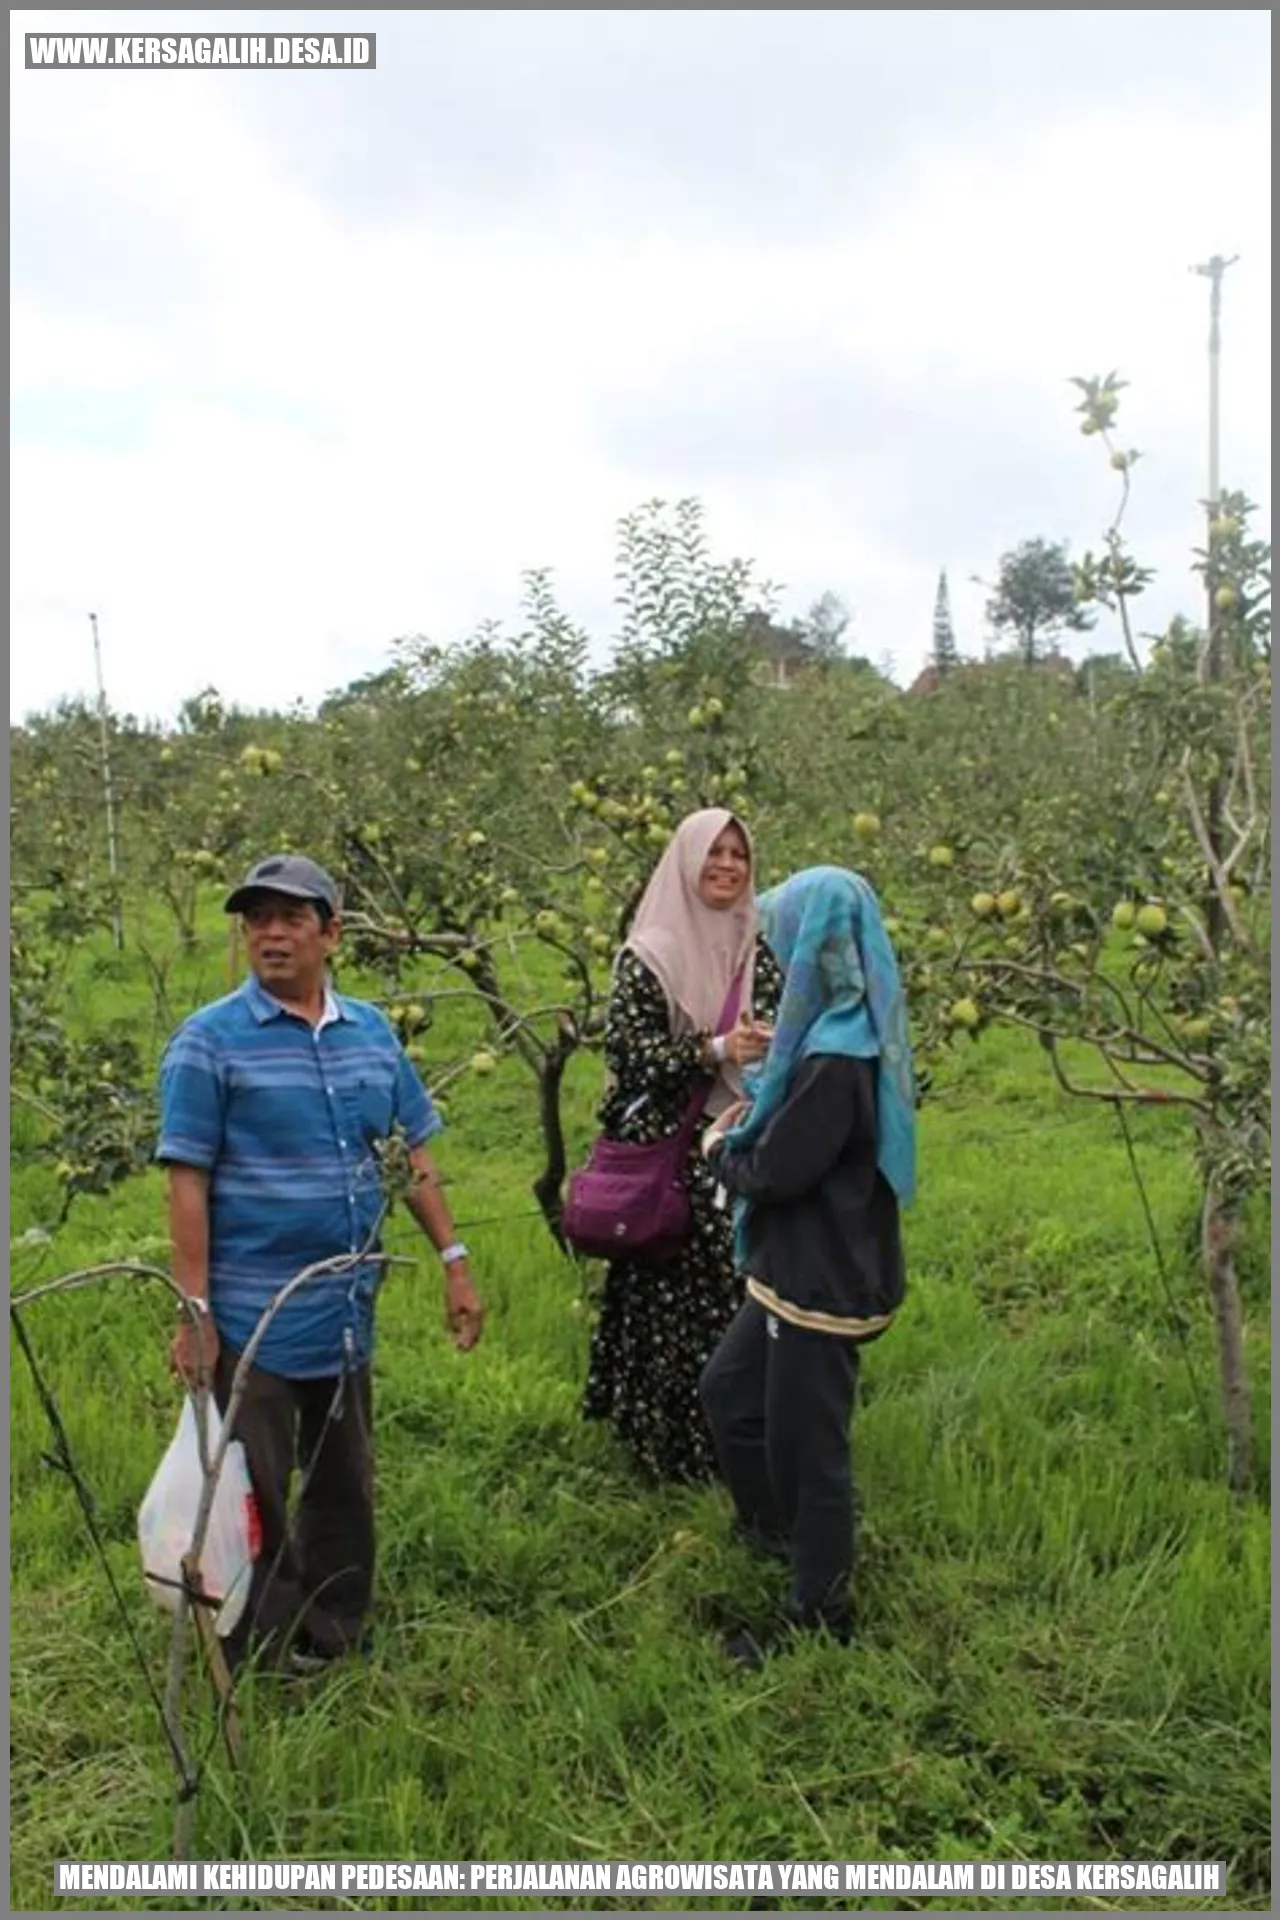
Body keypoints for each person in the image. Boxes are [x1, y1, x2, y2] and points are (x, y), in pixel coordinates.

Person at [156, 853, 484, 1674]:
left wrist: (454, 1258)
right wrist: (194, 1311)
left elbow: (409, 1154)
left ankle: (335, 1628)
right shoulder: (208, 1042)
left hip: (345, 1309)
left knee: (344, 1480)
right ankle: (259, 1649)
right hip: (254, 1313)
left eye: (290, 917)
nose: (270, 933)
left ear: (330, 933)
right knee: (253, 1491)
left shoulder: (372, 1033)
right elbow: (186, 1182)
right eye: (257, 919)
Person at [698, 865, 916, 1665]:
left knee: (809, 1447)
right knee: (727, 1392)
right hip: (798, 1270)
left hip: (819, 1283)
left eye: (786, 938)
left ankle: (820, 1611)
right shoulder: (839, 1033)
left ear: (815, 947)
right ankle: (775, 1535)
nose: (778, 953)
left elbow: (777, 1172)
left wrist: (721, 1144)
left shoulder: (838, 1060)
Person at [582, 808, 783, 1483]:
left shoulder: (756, 947)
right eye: (713, 853)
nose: (727, 865)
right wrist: (716, 1050)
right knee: (661, 1302)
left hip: (733, 1147)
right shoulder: (650, 954)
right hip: (667, 1156)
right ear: (685, 861)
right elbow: (630, 1053)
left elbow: (784, 1026)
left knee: (731, 1298)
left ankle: (728, 1446)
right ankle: (662, 1450)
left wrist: (765, 1045)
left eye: (738, 853)